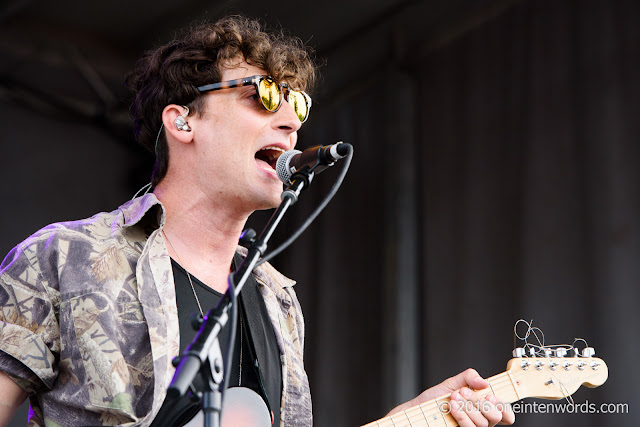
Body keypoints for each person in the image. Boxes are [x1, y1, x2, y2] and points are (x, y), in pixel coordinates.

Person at [0, 15, 515, 427]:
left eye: (296, 103)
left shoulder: (278, 300)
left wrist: (409, 419)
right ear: (183, 120)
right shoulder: (64, 257)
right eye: (263, 94)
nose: (290, 122)